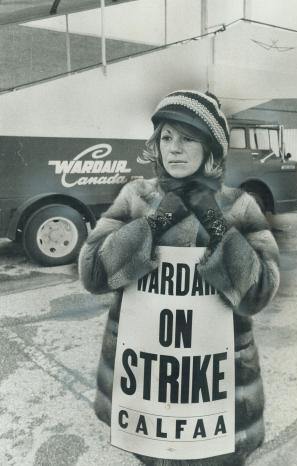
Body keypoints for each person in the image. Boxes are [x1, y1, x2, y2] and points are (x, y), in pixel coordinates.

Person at [78, 90, 280, 466]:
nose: (174, 149)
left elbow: (260, 292)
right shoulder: (135, 196)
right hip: (147, 389)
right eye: (167, 137)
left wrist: (216, 223)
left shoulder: (239, 205)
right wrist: (154, 224)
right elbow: (91, 272)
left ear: (211, 149)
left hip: (217, 394)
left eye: (188, 138)